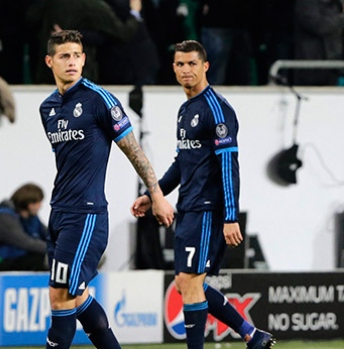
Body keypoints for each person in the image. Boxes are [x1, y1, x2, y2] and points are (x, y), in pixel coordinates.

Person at [130, 40, 275, 349]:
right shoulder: (185, 110)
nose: (186, 70)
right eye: (180, 64)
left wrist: (231, 216)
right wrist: (154, 194)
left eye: (192, 64)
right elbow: (183, 162)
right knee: (186, 283)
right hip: (189, 208)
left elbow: (228, 165)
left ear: (205, 66)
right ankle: (252, 334)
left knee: (191, 283)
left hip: (209, 210)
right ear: (173, 68)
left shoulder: (217, 109)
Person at [39, 30, 174, 349]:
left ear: (84, 59)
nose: (72, 61)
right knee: (79, 296)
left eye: (77, 55)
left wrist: (156, 195)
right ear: (50, 61)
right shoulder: (47, 108)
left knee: (60, 297)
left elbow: (133, 150)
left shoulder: (99, 99)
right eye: (64, 56)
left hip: (86, 215)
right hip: (59, 214)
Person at [0, 183, 48, 272]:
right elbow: (25, 243)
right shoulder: (4, 219)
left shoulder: (31, 218)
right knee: (37, 260)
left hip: (11, 257)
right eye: (39, 202)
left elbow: (48, 234)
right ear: (30, 204)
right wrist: (54, 249)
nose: (40, 206)